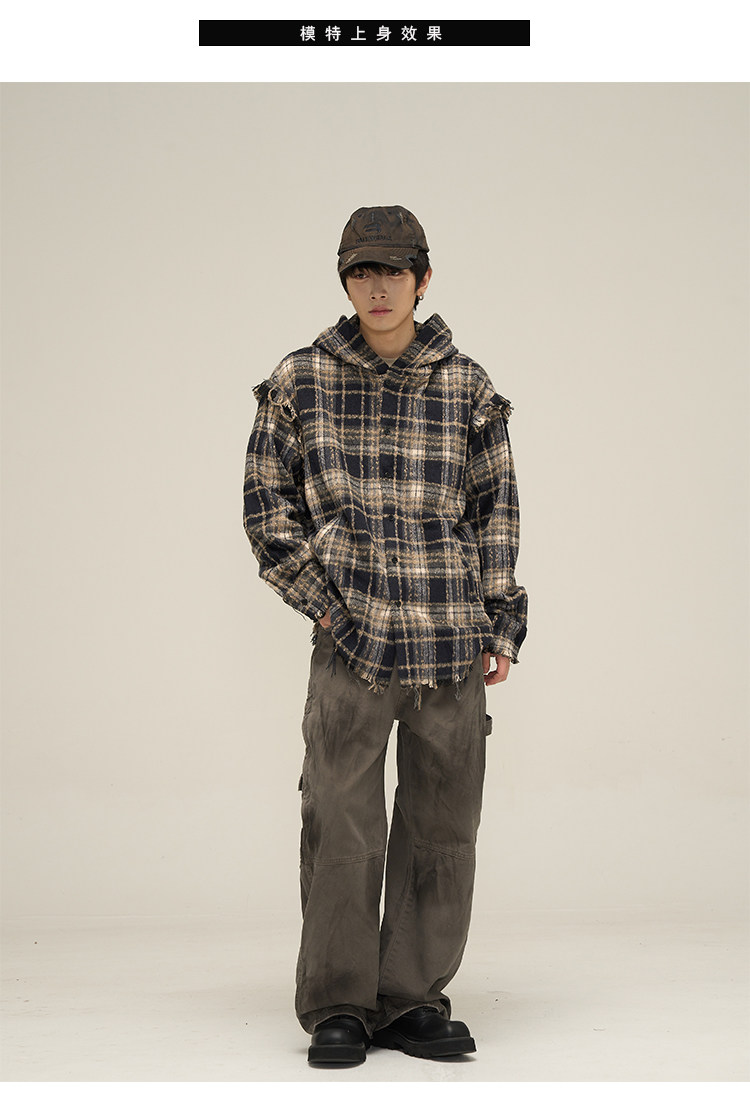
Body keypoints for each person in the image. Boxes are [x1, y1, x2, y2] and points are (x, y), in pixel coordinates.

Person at [242, 205, 528, 1067]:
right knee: (341, 822)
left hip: (449, 640)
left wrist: (499, 619)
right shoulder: (301, 380)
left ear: (423, 279)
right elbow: (267, 511)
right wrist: (328, 608)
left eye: (393, 271)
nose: (377, 286)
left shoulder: (468, 385)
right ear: (345, 280)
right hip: (352, 647)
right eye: (362, 271)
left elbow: (495, 510)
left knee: (443, 825)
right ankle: (340, 1001)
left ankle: (411, 996)